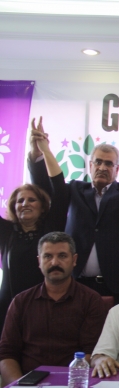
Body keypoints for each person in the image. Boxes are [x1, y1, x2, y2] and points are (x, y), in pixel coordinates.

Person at [29, 136, 119, 303]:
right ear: (90, 165)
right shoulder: (75, 189)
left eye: (109, 164)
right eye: (98, 162)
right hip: (76, 284)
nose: (102, 167)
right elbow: (45, 188)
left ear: (117, 169)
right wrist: (37, 154)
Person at [0, 232, 105, 386]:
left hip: (73, 386)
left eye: (62, 256)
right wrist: (18, 387)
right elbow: (7, 353)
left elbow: (92, 352)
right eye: (48, 256)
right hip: (27, 384)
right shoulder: (21, 302)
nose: (55, 262)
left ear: (74, 260)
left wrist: (70, 387)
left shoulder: (91, 300)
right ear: (39, 261)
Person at [0, 118, 68, 335]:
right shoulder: (6, 232)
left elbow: (60, 190)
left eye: (31, 200)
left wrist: (43, 151)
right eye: (20, 201)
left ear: (42, 206)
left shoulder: (51, 229)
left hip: (43, 309)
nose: (25, 204)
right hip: (7, 310)